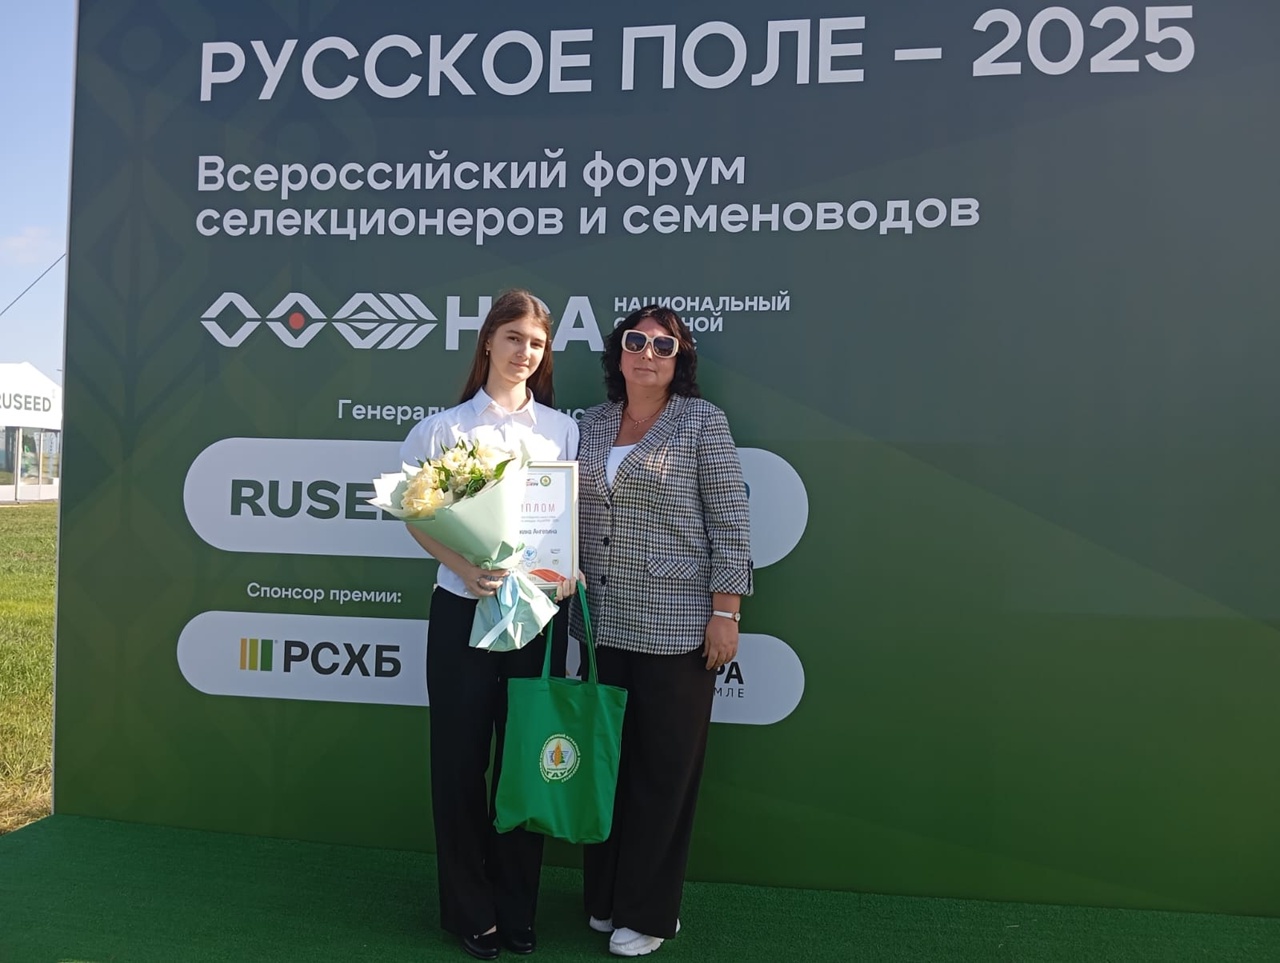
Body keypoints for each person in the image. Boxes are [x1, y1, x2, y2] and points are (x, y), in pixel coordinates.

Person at [399, 289, 578, 961]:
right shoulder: (443, 429)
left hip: (537, 613)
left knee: (524, 762)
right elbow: (417, 515)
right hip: (461, 608)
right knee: (459, 762)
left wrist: (567, 568)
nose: (524, 352)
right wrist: (462, 565)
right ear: (488, 342)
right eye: (513, 338)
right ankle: (469, 910)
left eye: (535, 343)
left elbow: (565, 518)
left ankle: (516, 907)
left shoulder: (562, 430)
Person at [573, 305, 753, 957]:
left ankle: (649, 912)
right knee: (606, 767)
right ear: (618, 353)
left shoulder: (702, 422)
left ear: (681, 359)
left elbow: (730, 521)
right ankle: (605, 897)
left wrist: (726, 612)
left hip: (677, 628)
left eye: (663, 345)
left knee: (661, 774)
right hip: (600, 624)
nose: (647, 353)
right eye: (636, 341)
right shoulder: (589, 424)